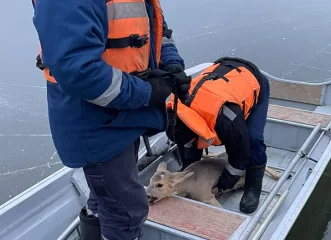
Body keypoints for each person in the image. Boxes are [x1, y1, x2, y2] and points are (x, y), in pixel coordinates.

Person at [31, 0, 189, 239]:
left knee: (106, 198)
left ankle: (94, 228)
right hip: (96, 122)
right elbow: (78, 71)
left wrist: (173, 63)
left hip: (125, 112)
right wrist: (147, 92)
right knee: (125, 210)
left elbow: (154, 28)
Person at [165, 56, 270, 214]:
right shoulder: (176, 111)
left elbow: (241, 155)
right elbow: (186, 143)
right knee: (188, 147)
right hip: (222, 77)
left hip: (253, 83)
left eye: (192, 140)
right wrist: (187, 175)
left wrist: (223, 185)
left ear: (198, 132)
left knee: (253, 139)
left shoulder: (226, 119)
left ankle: (253, 186)